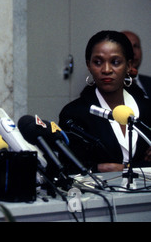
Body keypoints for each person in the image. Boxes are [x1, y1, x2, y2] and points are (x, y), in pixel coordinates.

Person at [59, 30, 151, 173]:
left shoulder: (146, 109)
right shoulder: (74, 114)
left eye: (115, 62)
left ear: (128, 65)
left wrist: (124, 168)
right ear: (89, 65)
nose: (106, 70)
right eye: (98, 62)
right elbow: (68, 168)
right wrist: (98, 168)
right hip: (97, 194)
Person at [122, 30, 151, 98]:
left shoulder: (149, 82)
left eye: (136, 46)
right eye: (127, 46)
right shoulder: (108, 86)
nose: (133, 52)